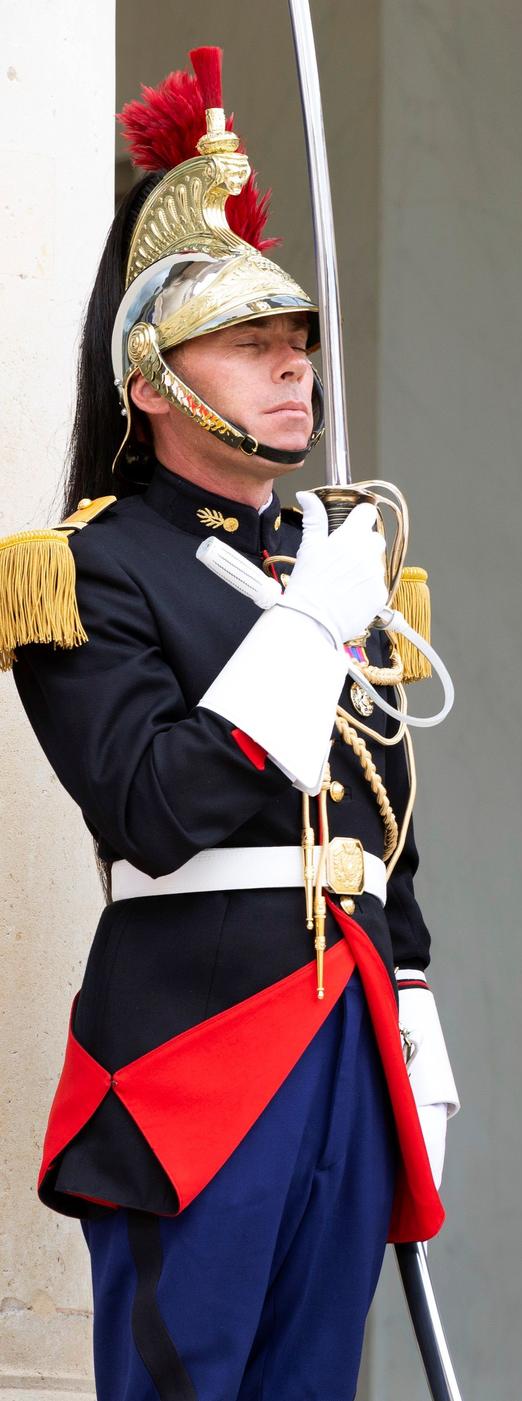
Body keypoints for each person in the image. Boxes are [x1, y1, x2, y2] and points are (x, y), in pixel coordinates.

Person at [0, 48, 457, 1397]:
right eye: (253, 345)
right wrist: (306, 630)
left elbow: (388, 822)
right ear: (153, 382)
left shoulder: (341, 551)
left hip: (349, 1030)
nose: (294, 372)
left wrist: (419, 1012)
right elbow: (150, 801)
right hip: (194, 1048)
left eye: (300, 344)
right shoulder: (89, 570)